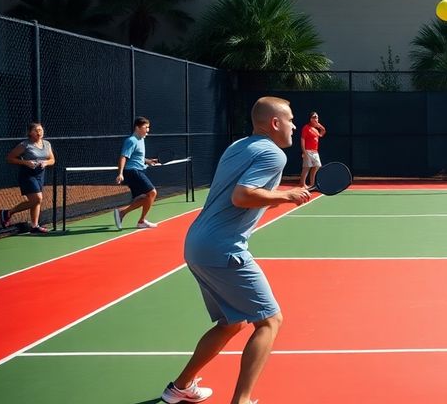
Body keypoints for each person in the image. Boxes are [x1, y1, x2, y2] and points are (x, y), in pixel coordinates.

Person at [161, 96, 311, 404]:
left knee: (232, 322)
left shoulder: (238, 146)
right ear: (275, 123)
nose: (295, 125)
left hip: (197, 244)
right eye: (291, 119)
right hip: (222, 247)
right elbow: (242, 196)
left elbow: (238, 196)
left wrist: (280, 195)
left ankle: (180, 388)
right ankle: (241, 401)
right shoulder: (273, 154)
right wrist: (286, 195)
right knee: (270, 321)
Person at [0, 122, 55, 234]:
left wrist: (46, 163)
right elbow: (10, 158)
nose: (39, 132)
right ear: (30, 133)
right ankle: (8, 213)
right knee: (37, 199)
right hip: (28, 175)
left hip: (40, 174)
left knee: (36, 201)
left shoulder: (47, 144)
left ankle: (34, 226)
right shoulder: (25, 145)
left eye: (40, 130)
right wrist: (25, 162)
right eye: (36, 130)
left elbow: (52, 160)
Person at [113, 117, 160, 230]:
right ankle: (141, 221)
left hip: (139, 170)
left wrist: (148, 161)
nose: (148, 130)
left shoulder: (141, 139)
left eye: (148, 127)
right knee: (152, 192)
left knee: (147, 197)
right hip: (132, 171)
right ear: (137, 128)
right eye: (145, 127)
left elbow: (138, 157)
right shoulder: (131, 140)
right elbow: (123, 157)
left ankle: (122, 213)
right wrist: (120, 174)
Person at [299, 111, 326, 188]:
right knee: (306, 167)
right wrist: (304, 151)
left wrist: (320, 126)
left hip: (315, 151)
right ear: (310, 119)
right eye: (314, 117)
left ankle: (312, 184)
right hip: (308, 151)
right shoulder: (306, 127)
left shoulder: (316, 130)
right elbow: (302, 139)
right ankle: (302, 184)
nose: (316, 119)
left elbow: (322, 133)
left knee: (317, 166)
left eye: (317, 117)